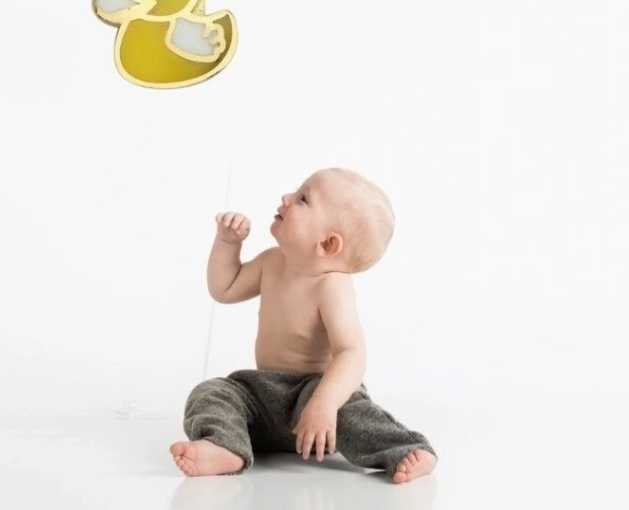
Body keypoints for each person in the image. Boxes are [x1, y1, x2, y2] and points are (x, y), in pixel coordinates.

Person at [170, 167, 436, 484]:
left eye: (303, 199)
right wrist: (227, 244)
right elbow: (224, 289)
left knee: (353, 412)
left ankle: (404, 448)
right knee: (213, 392)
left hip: (316, 396)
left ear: (328, 244)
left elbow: (351, 352)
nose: (286, 197)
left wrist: (325, 403)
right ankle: (226, 446)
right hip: (264, 395)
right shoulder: (271, 262)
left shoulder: (331, 286)